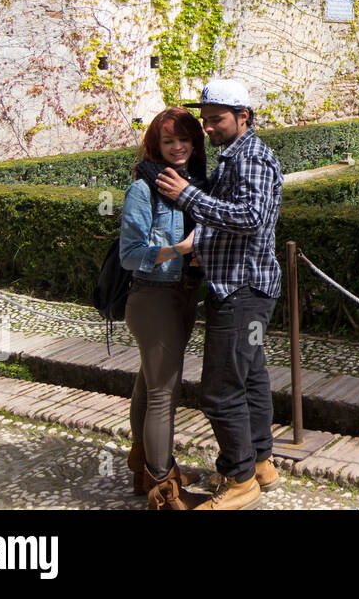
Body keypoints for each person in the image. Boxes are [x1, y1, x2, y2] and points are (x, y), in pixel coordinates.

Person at [155, 80, 283, 511]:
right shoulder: (233, 157)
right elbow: (231, 219)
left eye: (217, 120)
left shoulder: (253, 157)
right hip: (241, 284)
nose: (208, 128)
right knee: (250, 378)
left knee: (220, 390)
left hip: (243, 290)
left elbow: (251, 216)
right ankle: (260, 462)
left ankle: (239, 478)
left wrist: (188, 195)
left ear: (243, 117)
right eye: (205, 120)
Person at [118, 108, 211, 509]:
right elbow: (130, 254)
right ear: (156, 146)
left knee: (148, 382)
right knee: (163, 392)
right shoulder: (144, 188)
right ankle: (164, 490)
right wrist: (180, 249)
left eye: (184, 140)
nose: (177, 148)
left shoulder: (191, 183)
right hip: (154, 296)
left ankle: (147, 468)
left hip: (182, 293)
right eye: (169, 141)